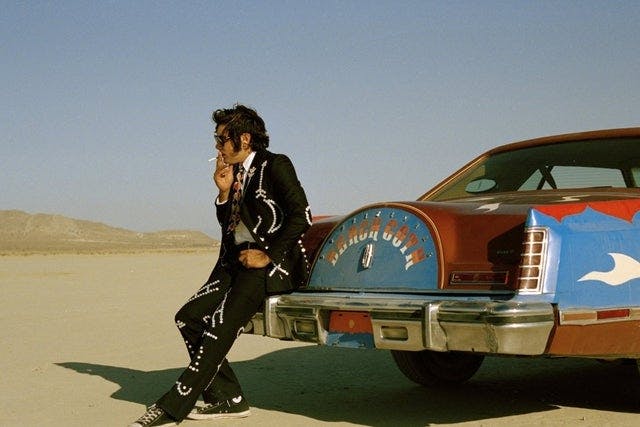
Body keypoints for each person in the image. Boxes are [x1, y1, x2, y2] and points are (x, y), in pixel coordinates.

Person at [129, 104, 312, 426]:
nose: (217, 147)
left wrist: (267, 255)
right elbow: (231, 227)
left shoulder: (275, 165)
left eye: (221, 139)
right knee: (188, 318)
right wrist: (225, 193)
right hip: (234, 262)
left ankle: (172, 406)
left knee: (219, 327)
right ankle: (228, 399)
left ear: (245, 138)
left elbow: (302, 216)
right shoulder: (236, 175)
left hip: (267, 266)